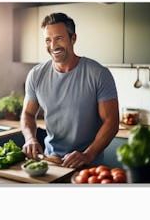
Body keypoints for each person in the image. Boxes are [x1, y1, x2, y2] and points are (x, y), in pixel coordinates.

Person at [21, 12, 119, 169]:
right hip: (50, 161)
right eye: (48, 40)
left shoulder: (98, 74)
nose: (53, 46)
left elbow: (112, 122)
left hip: (88, 164)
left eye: (59, 38)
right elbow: (28, 114)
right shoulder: (36, 75)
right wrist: (30, 139)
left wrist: (88, 154)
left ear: (73, 38)